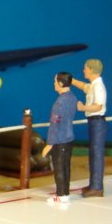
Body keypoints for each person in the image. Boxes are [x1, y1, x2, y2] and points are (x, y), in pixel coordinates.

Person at [72, 59, 107, 197]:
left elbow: (98, 106)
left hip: (97, 122)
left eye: (85, 68)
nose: (83, 70)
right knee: (93, 154)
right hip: (94, 122)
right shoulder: (93, 85)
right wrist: (71, 80)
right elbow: (83, 86)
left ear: (91, 70)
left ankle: (97, 188)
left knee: (97, 155)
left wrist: (83, 108)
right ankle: (94, 184)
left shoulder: (98, 87)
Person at [42, 72, 78, 204]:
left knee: (59, 168)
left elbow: (54, 124)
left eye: (55, 81)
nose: (54, 84)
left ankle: (61, 194)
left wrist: (49, 143)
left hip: (60, 139)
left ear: (61, 83)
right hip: (69, 138)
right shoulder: (73, 98)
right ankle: (65, 192)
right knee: (66, 167)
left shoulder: (59, 103)